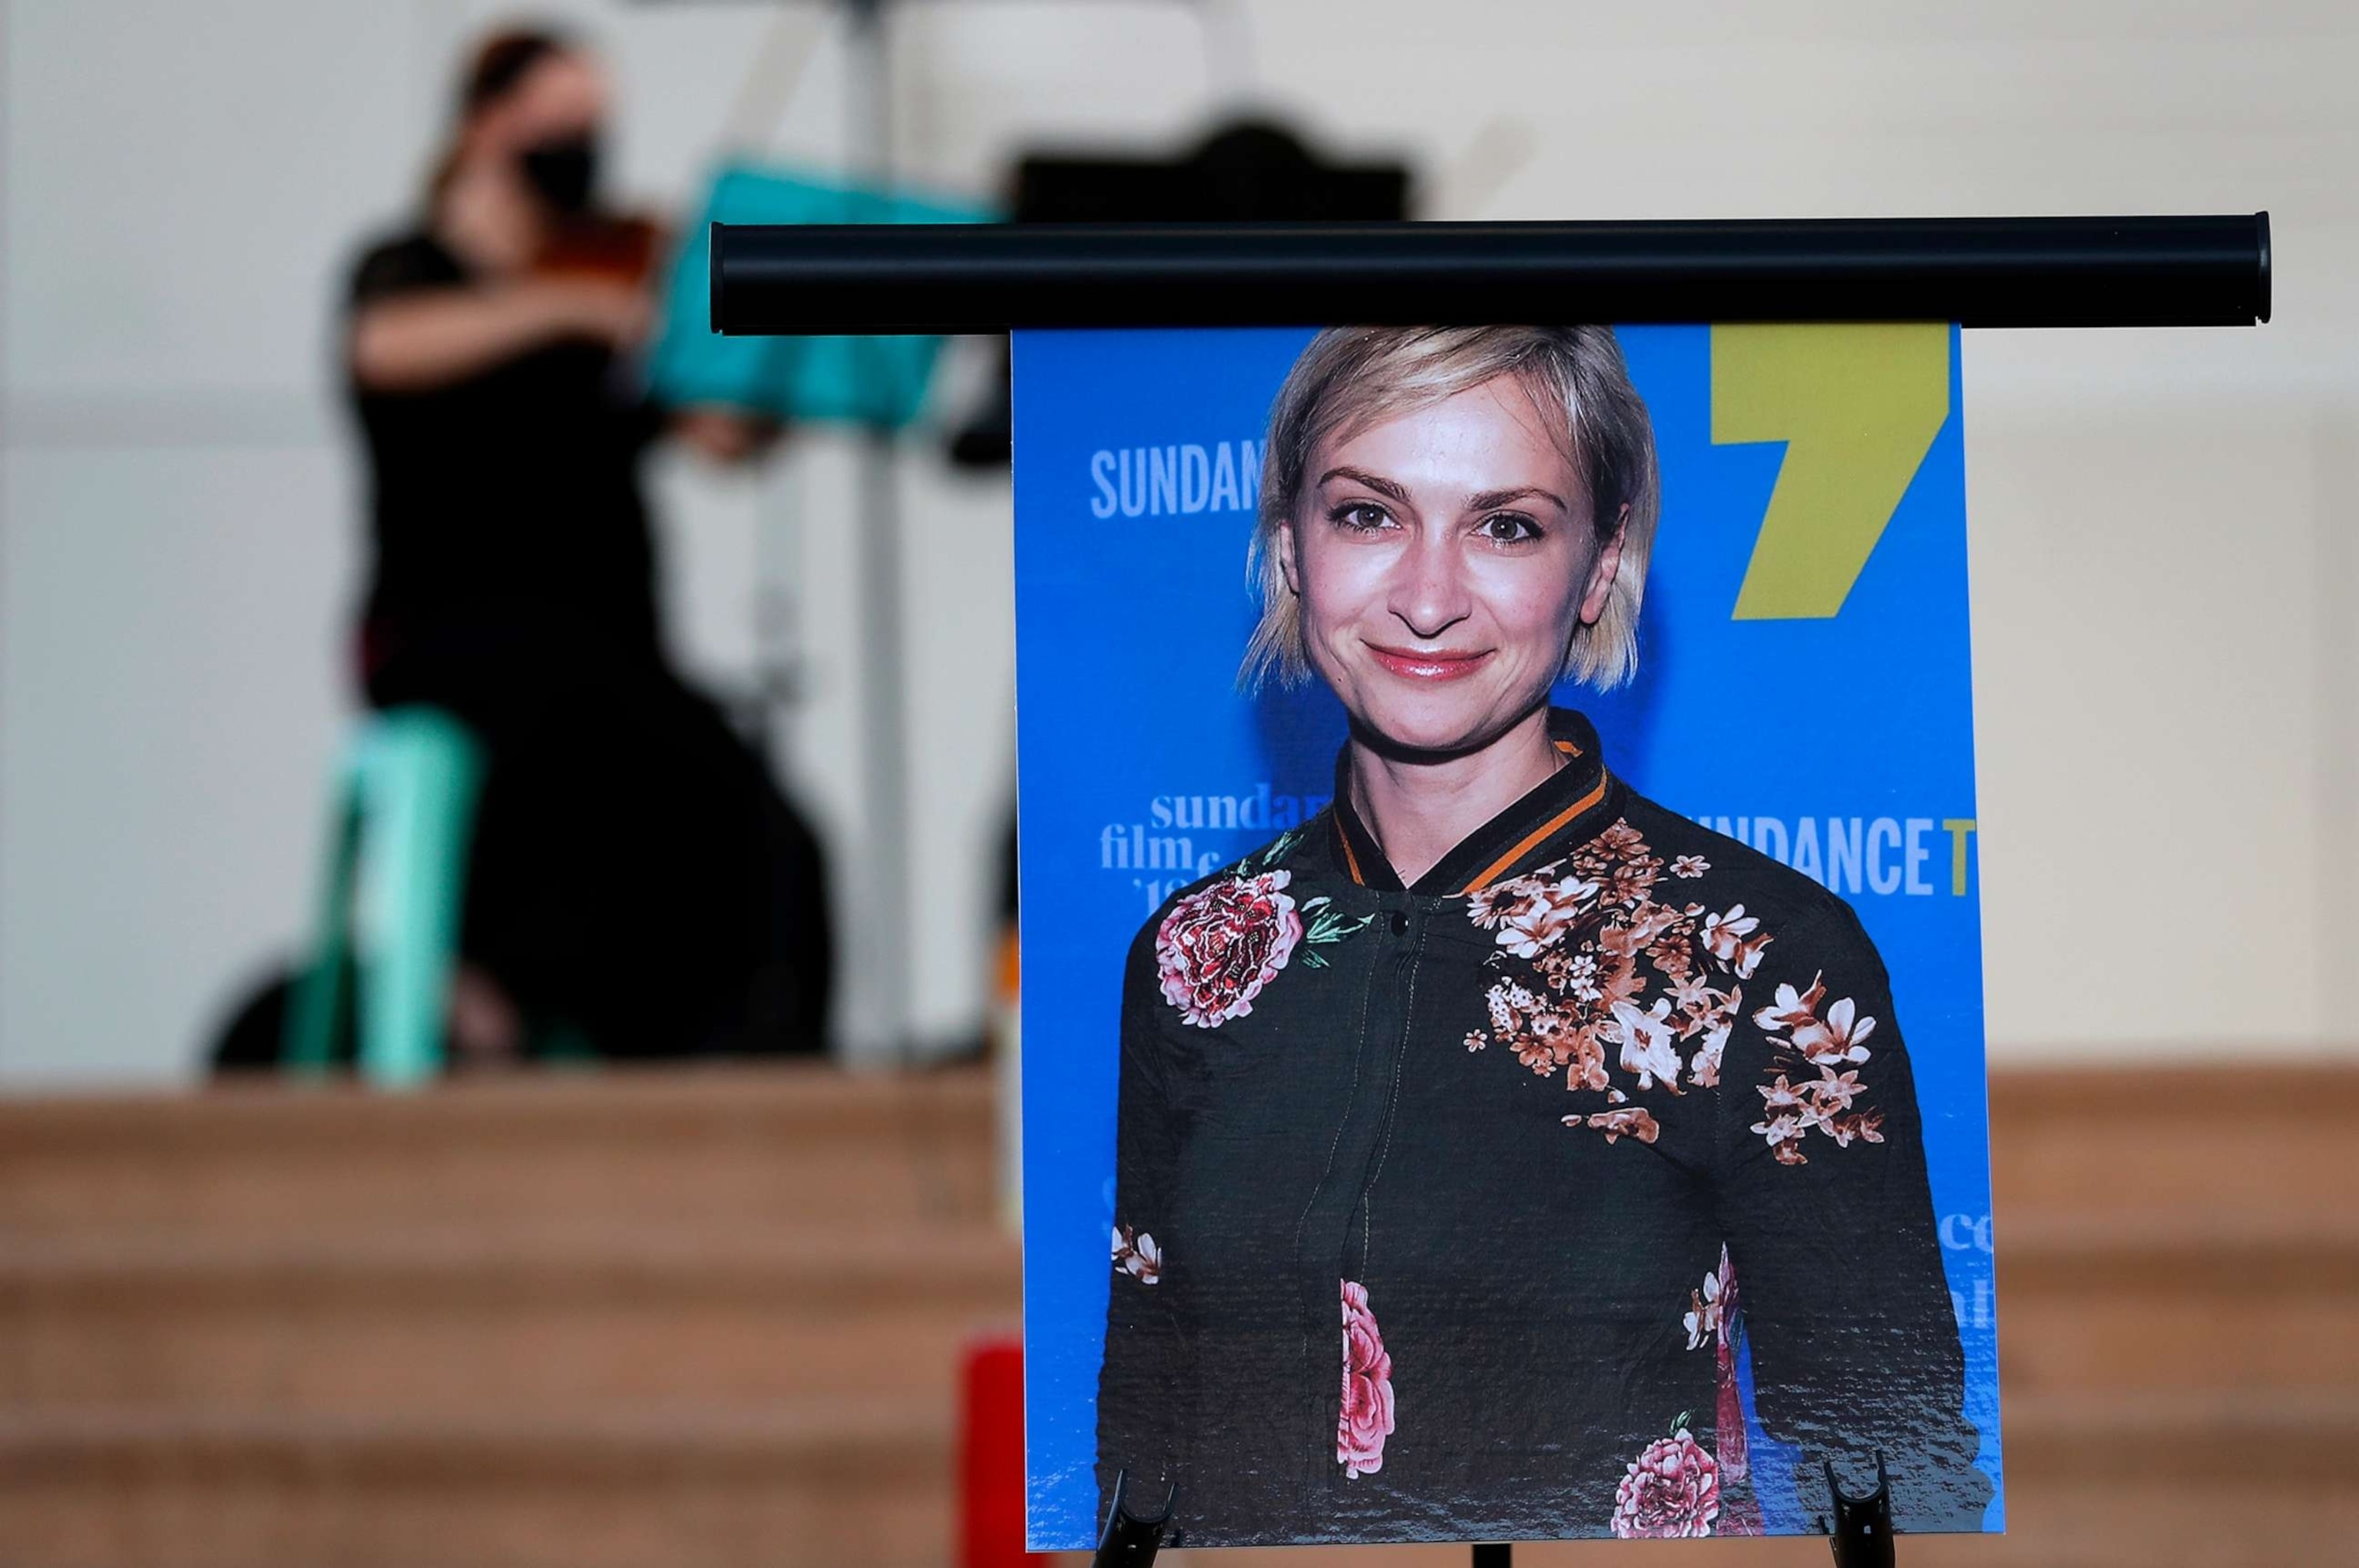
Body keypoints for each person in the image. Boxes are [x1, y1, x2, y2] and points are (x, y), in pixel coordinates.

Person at [1095, 326, 1988, 1543]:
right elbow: (1145, 1463)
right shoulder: (1198, 955)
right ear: (1289, 543)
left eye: (1506, 525)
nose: (1427, 594)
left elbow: (1896, 1477)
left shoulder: (1760, 956)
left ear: (1603, 558)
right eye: (1368, 514)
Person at [340, 28, 830, 1063]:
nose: (581, 146)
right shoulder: (409, 270)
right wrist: (574, 304)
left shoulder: (617, 274)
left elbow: (715, 433)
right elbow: (379, 346)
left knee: (769, 826)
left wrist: (779, 375)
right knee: (602, 768)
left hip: (608, 648)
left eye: (593, 127)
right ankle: (516, 1006)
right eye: (556, 123)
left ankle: (733, 1059)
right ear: (484, 123)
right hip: (454, 639)